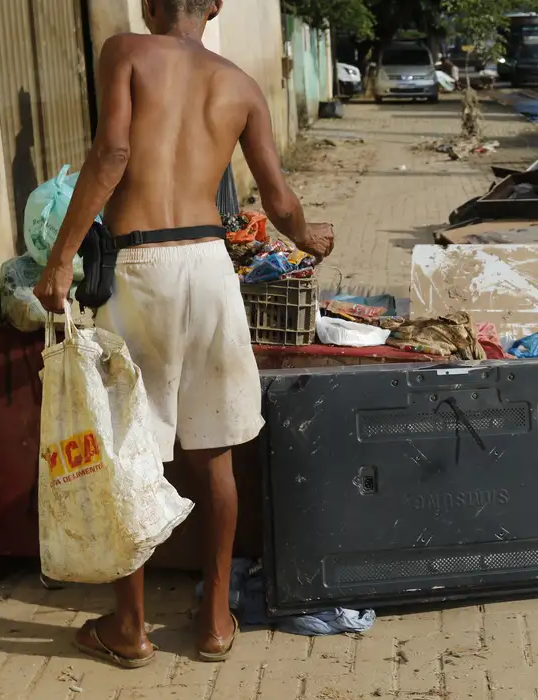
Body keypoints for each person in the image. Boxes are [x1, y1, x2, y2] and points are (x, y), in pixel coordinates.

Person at [33, 0, 334, 667]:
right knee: (213, 452)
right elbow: (280, 202)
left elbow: (113, 151)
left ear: (148, 5)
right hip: (208, 267)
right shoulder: (241, 84)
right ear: (217, 6)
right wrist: (310, 237)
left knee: (132, 450)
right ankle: (217, 618)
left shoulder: (126, 51)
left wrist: (61, 260)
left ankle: (130, 628)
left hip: (139, 271)